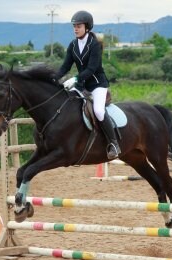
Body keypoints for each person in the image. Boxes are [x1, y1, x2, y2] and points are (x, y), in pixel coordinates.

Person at [55, 10, 121, 160]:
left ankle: (113, 144)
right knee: (68, 103)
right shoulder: (72, 45)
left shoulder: (95, 45)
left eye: (78, 26)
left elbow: (92, 69)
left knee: (98, 111)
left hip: (97, 84)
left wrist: (76, 78)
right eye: (74, 26)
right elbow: (65, 67)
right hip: (82, 84)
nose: (75, 29)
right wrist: (54, 78)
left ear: (87, 27)